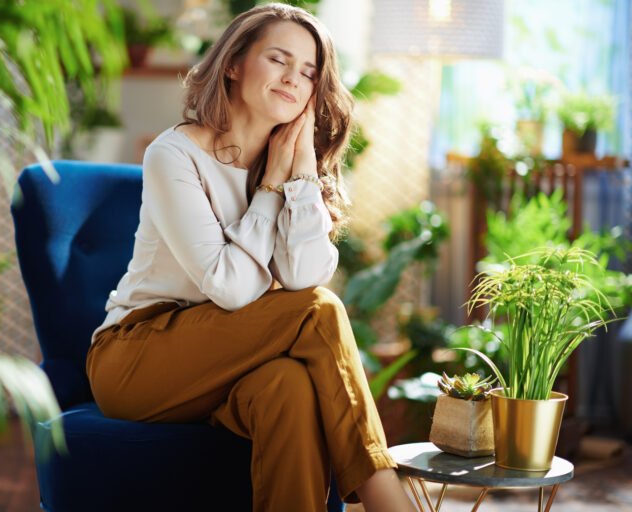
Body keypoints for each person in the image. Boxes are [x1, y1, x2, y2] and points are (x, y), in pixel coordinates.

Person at [86, 3, 416, 511]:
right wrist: (268, 189)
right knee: (320, 310)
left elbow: (303, 274)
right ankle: (387, 499)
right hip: (138, 359)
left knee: (288, 387)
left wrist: (301, 169)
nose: (293, 79)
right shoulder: (175, 154)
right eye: (279, 60)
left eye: (308, 73)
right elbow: (232, 287)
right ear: (235, 63)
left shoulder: (291, 166)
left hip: (236, 363)